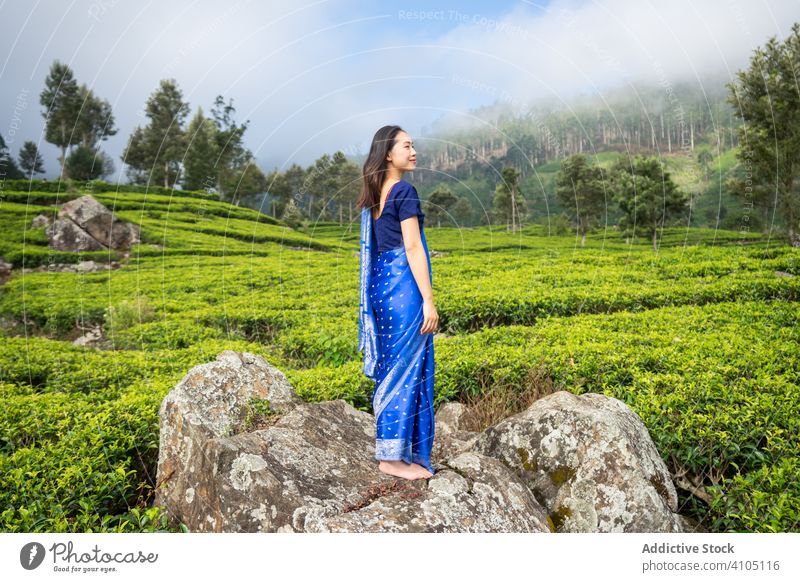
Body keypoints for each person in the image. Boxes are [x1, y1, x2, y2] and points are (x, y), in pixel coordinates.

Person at [356, 125, 439, 481]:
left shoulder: (376, 194)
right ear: (388, 154)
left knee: (395, 368)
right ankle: (391, 459)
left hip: (381, 288)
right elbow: (413, 247)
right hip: (403, 291)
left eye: (413, 145)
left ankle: (400, 451)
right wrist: (429, 301)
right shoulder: (404, 190)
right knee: (405, 371)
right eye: (407, 145)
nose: (414, 150)